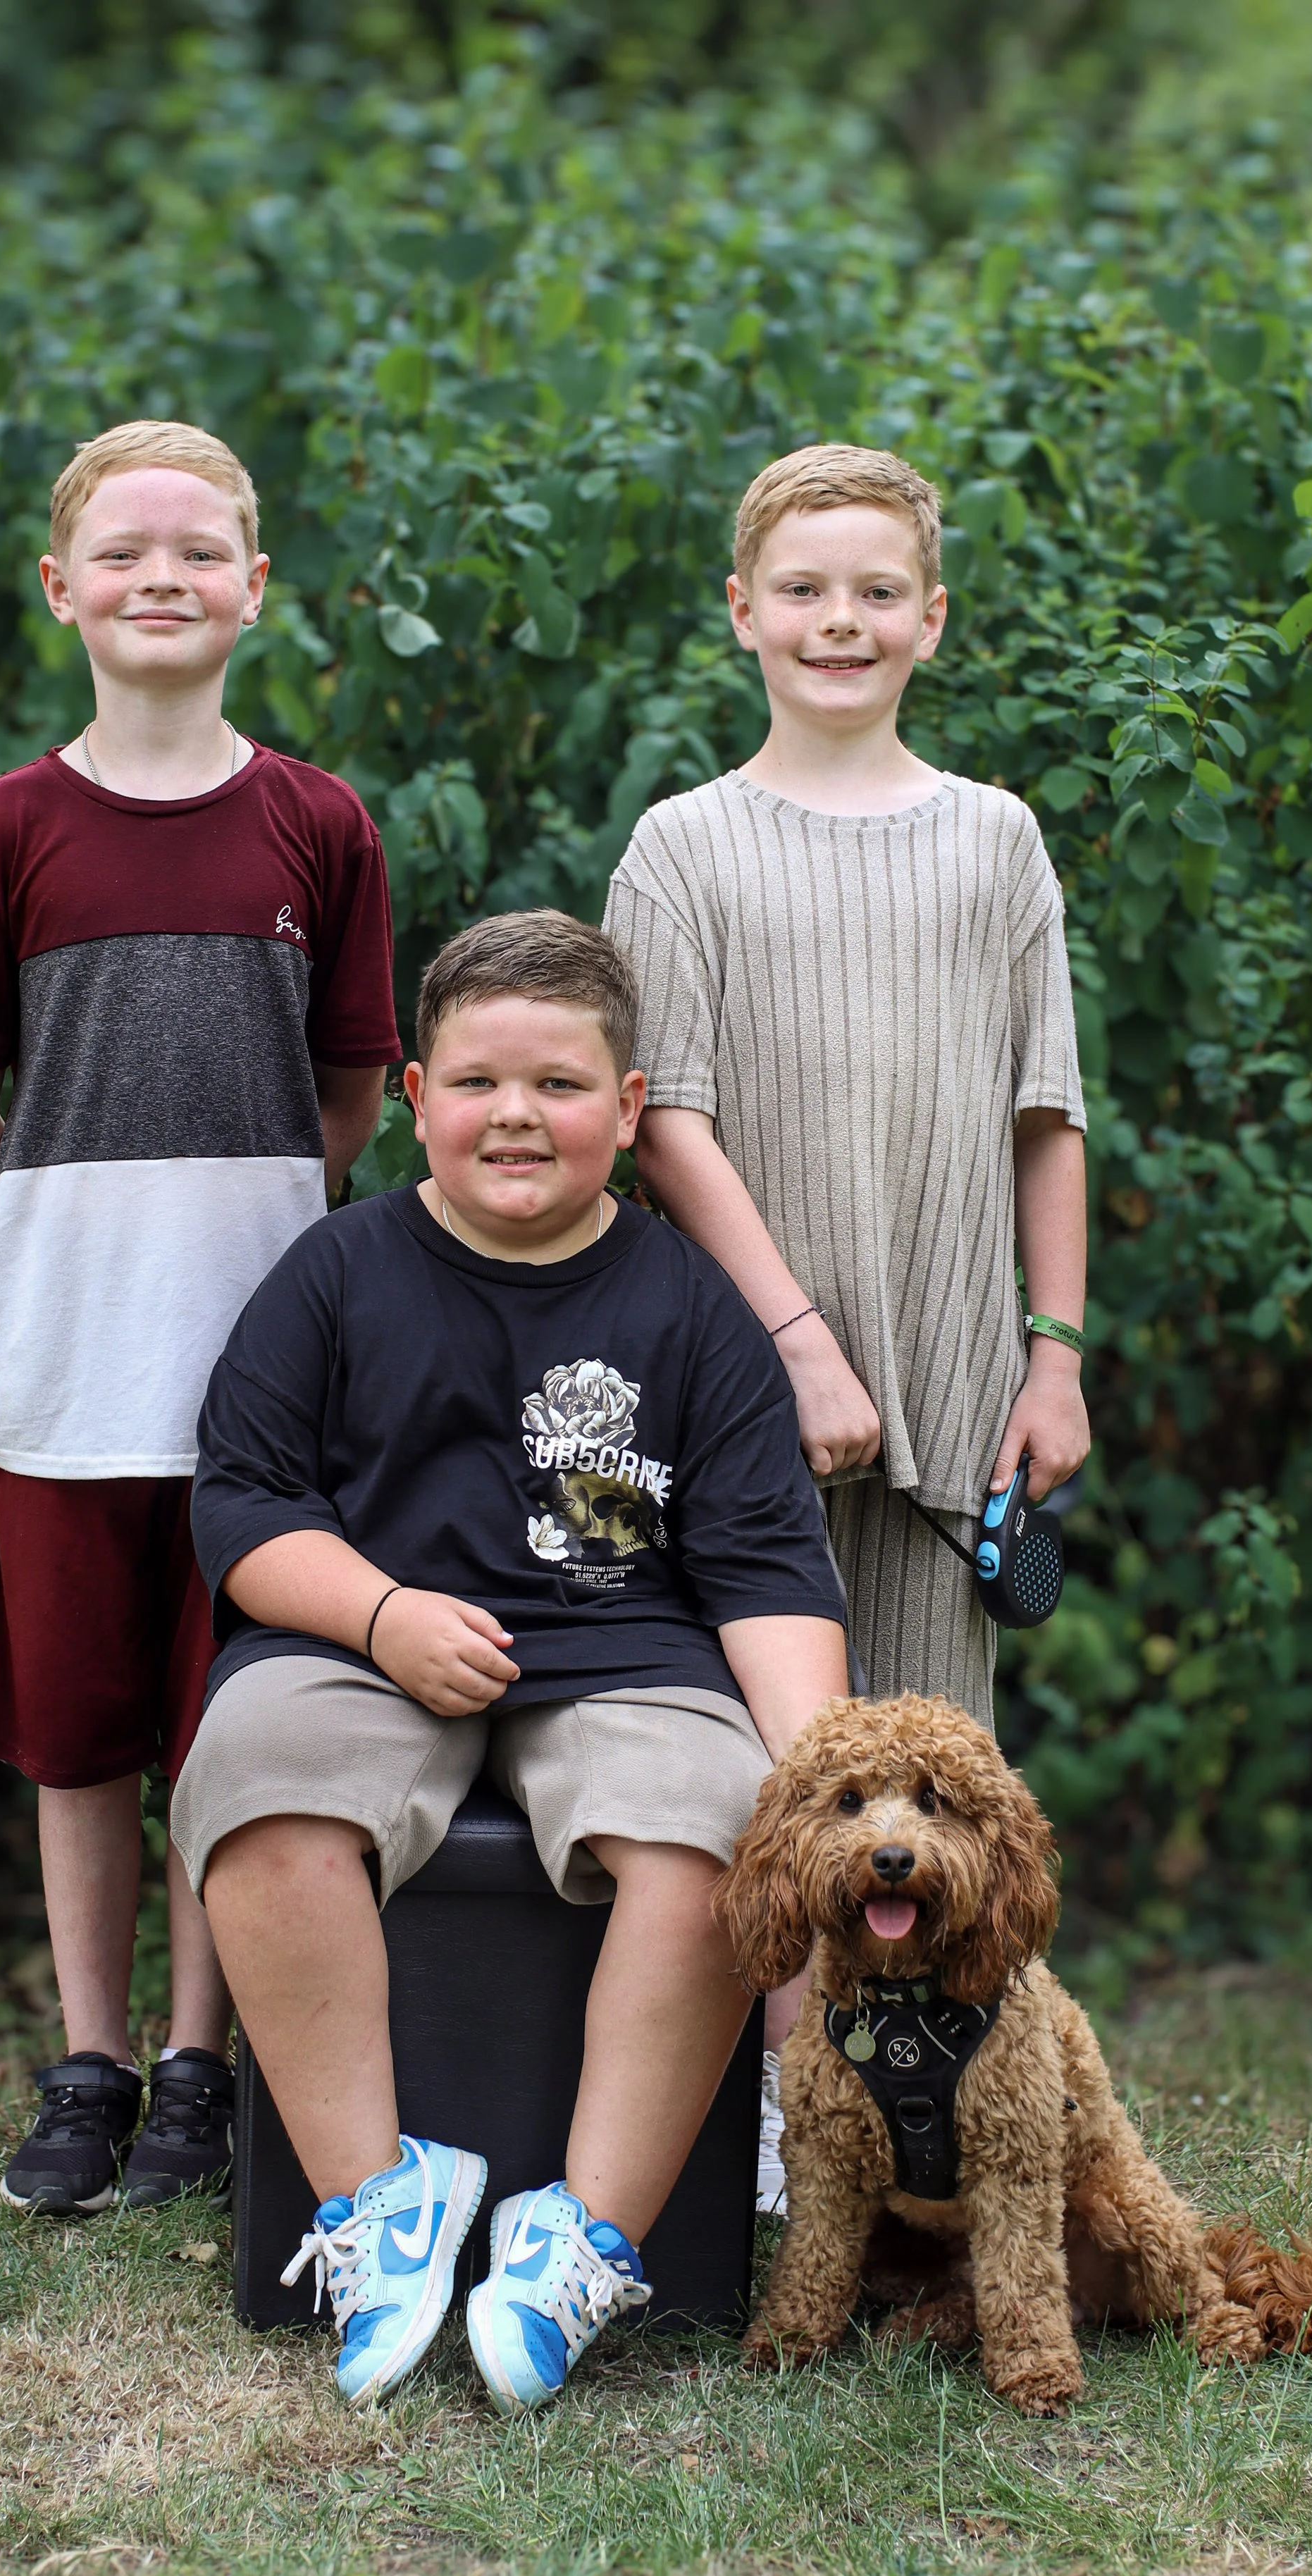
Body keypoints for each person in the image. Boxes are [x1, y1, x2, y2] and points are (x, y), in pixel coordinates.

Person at [173, 910, 848, 2411]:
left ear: (626, 1104)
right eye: (479, 1083)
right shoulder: (336, 1273)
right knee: (258, 1785)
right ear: (414, 1095)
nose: (516, 1117)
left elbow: (759, 1569)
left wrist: (828, 1792)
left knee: (719, 1833)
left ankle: (580, 2241)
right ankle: (377, 2208)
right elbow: (242, 1504)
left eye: (558, 1084)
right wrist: (374, 1617)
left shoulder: (690, 1310)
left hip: (623, 1656)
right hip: (358, 1636)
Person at [0, 420, 398, 2216]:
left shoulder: (315, 822)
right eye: (123, 553)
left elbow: (347, 1093)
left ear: (257, 589)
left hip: (257, 1379)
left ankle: (203, 2063)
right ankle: (89, 2060)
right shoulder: (7, 830)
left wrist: (238, 1243)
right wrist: (61, 1236)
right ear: (62, 593)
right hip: (63, 1360)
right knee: (79, 1728)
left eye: (202, 550)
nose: (162, 577)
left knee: (228, 1724)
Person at [600, 440, 1090, 2099]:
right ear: (741, 612)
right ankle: (769, 2124)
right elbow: (666, 1127)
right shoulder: (683, 848)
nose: (839, 620)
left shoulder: (993, 840)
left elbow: (1047, 1118)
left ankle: (927, 2131)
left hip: (954, 1384)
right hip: (744, 1382)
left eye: (875, 591)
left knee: (934, 1799)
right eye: (802, 590)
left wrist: (1053, 1355)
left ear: (930, 619)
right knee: (774, 1782)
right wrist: (799, 1341)